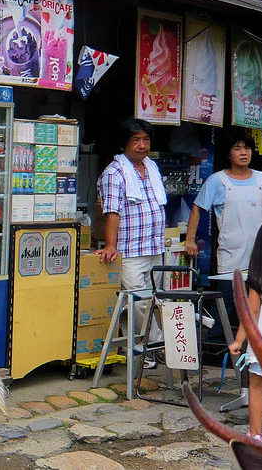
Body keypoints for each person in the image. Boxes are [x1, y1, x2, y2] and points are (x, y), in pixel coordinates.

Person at [96, 118, 167, 369]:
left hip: (154, 248)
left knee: (152, 301)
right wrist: (111, 245)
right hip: (131, 251)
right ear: (124, 143)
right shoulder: (114, 173)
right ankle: (151, 346)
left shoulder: (152, 167)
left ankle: (145, 349)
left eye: (145, 139)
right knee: (140, 302)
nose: (142, 145)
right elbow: (111, 212)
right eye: (136, 140)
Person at [185, 132, 262, 336]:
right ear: (229, 153)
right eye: (237, 149)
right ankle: (215, 347)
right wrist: (190, 240)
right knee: (227, 303)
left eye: (247, 148)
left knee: (261, 304)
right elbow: (197, 209)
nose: (243, 153)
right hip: (231, 255)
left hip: (261, 255)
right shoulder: (217, 181)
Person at [228, 219, 262, 442]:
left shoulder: (259, 279)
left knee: (257, 386)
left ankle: (255, 434)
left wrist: (238, 340)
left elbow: (251, 311)